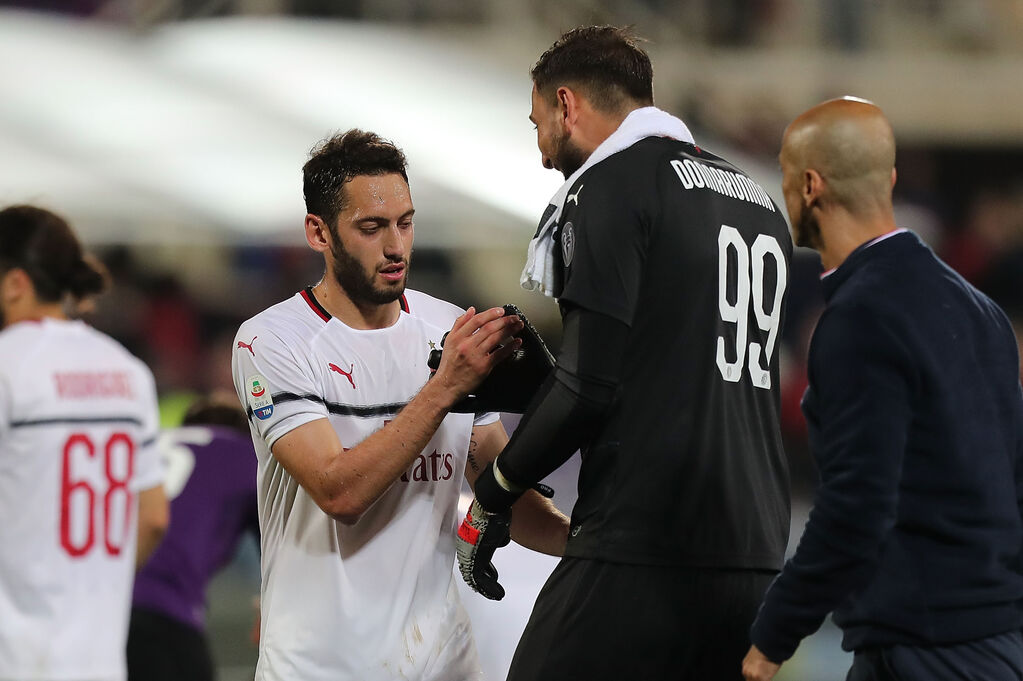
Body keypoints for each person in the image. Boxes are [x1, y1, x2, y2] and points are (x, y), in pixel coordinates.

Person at [457, 25, 793, 681]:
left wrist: (495, 492)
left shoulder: (609, 183)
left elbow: (590, 387)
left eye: (536, 124)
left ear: (566, 105)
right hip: (752, 550)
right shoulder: (756, 199)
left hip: (646, 539)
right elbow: (672, 371)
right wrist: (541, 387)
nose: (541, 150)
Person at [230, 129, 568, 681]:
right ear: (319, 232)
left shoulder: (446, 327)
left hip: (441, 663)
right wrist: (444, 388)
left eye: (405, 223)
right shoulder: (271, 341)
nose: (396, 247)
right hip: (319, 667)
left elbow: (498, 485)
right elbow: (340, 492)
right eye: (371, 227)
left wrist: (588, 541)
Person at [742, 98, 1023, 681]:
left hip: (923, 646)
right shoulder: (982, 311)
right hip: (993, 639)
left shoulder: (859, 318)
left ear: (808, 186)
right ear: (889, 179)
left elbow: (857, 505)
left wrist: (771, 638)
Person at [0, 205, 168, 681]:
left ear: (15, 283)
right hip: (101, 661)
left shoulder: (7, 367)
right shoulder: (128, 371)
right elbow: (153, 517)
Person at [127, 392, 260, 681]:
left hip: (93, 610)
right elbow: (283, 549)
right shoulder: (245, 455)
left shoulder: (147, 449)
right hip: (163, 617)